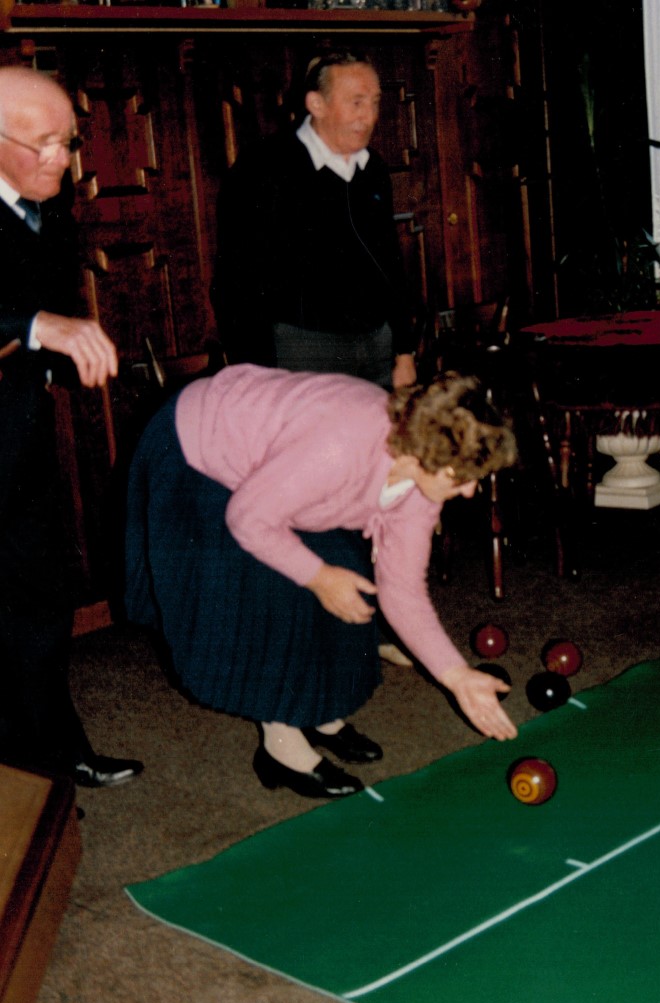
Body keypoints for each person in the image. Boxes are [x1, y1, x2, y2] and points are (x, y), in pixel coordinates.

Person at [124, 367, 518, 800]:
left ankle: (318, 714)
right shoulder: (338, 448)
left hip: (280, 474)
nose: (469, 492)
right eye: (462, 478)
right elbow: (249, 519)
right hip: (196, 448)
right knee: (277, 588)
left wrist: (457, 675)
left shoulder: (419, 485)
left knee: (345, 571)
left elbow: (402, 590)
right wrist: (317, 577)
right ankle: (281, 747)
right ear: (426, 455)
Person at [0, 66, 144, 788]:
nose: (63, 159)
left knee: (37, 599)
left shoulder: (46, 206)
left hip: (15, 437)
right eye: (44, 143)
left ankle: (53, 753)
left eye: (70, 140)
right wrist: (33, 325)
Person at [210, 49, 418, 391]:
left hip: (377, 345)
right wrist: (256, 374)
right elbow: (236, 280)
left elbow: (390, 261)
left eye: (374, 102)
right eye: (356, 102)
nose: (368, 116)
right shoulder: (264, 168)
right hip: (304, 351)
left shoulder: (373, 169)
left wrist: (405, 349)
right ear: (316, 104)